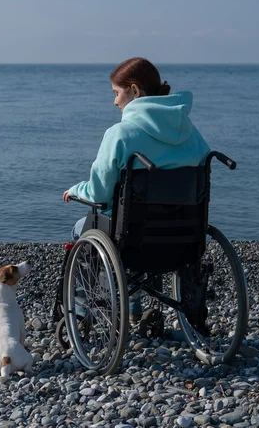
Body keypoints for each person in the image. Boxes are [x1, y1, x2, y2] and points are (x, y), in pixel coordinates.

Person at [63, 57, 211, 321]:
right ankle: (132, 309)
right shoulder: (192, 133)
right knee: (134, 222)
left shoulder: (120, 134)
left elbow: (98, 193)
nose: (115, 102)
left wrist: (75, 190)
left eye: (116, 93)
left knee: (90, 229)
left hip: (133, 237)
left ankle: (80, 309)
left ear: (134, 90)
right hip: (184, 237)